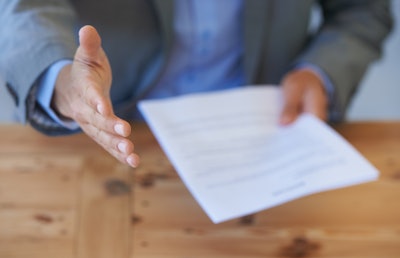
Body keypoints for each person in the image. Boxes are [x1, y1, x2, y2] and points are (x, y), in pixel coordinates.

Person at [0, 0, 393, 168]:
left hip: (264, 131)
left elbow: (362, 12)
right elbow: (23, 7)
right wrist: (64, 82)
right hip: (109, 130)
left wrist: (319, 72)